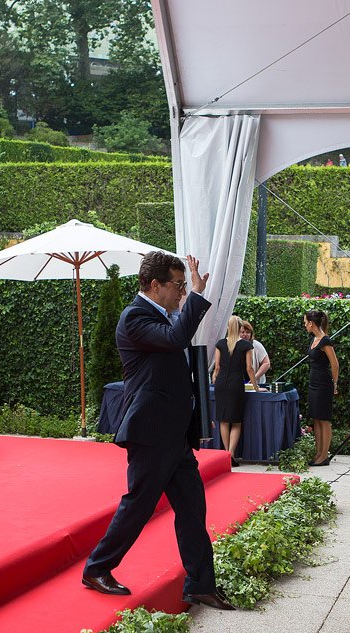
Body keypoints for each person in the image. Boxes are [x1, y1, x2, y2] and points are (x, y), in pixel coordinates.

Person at [82, 251, 235, 610]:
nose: (182, 292)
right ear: (155, 285)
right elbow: (177, 339)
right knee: (139, 504)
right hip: (151, 431)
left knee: (192, 508)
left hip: (174, 432)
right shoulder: (135, 316)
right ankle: (97, 568)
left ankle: (200, 584)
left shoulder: (162, 317)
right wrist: (197, 295)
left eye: (184, 286)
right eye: (178, 285)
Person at [211, 315, 257, 465]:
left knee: (223, 420)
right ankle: (231, 454)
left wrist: (214, 378)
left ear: (228, 328)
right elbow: (249, 368)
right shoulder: (245, 345)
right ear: (240, 328)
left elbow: (217, 368)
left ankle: (226, 454)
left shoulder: (220, 344)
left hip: (221, 383)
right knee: (236, 421)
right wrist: (256, 386)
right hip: (235, 384)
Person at [304, 309, 339, 467]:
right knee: (316, 418)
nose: (305, 325)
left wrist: (335, 384)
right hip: (314, 383)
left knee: (324, 420)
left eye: (305, 322)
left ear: (311, 323)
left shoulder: (325, 341)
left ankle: (324, 456)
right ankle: (318, 453)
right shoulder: (314, 339)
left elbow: (335, 364)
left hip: (323, 384)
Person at [239, 319, 271, 386]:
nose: (245, 334)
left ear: (251, 334)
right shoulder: (234, 346)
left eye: (248, 332)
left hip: (255, 384)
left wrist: (254, 378)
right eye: (242, 332)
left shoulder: (256, 345)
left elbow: (266, 363)